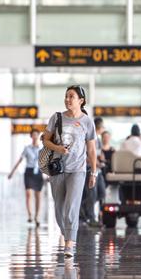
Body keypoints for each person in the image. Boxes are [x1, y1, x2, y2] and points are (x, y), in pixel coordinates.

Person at [41, 85, 98, 258]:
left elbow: (92, 150)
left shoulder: (87, 122)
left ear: (81, 101)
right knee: (59, 208)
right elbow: (45, 140)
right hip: (57, 169)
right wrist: (58, 148)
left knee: (71, 207)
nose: (67, 99)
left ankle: (69, 244)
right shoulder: (56, 118)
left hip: (78, 170)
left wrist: (93, 172)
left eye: (71, 96)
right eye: (66, 96)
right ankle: (66, 233)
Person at [7, 129, 44, 225]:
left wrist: (48, 175)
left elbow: (45, 163)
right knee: (28, 194)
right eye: (33, 135)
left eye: (36, 135)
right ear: (31, 136)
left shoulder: (42, 149)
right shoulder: (27, 148)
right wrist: (12, 172)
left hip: (38, 172)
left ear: (38, 136)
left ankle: (37, 216)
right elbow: (20, 160)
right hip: (29, 172)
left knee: (38, 196)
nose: (35, 137)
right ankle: (30, 215)